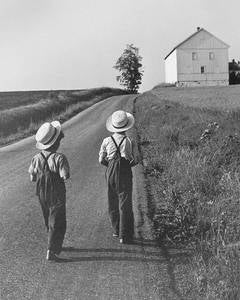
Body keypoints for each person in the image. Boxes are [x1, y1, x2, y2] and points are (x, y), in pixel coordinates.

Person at [28, 121, 70, 261]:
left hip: (41, 191)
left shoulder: (36, 158)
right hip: (56, 190)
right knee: (58, 219)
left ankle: (54, 243)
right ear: (56, 142)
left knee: (48, 217)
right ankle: (51, 251)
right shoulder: (59, 157)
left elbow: (32, 178)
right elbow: (65, 175)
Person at [99, 110, 139, 244]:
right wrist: (127, 165)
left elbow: (101, 160)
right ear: (126, 125)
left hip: (110, 169)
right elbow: (137, 159)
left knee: (112, 200)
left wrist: (111, 166)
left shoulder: (106, 140)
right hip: (125, 169)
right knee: (125, 202)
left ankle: (116, 230)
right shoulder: (130, 140)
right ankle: (125, 235)